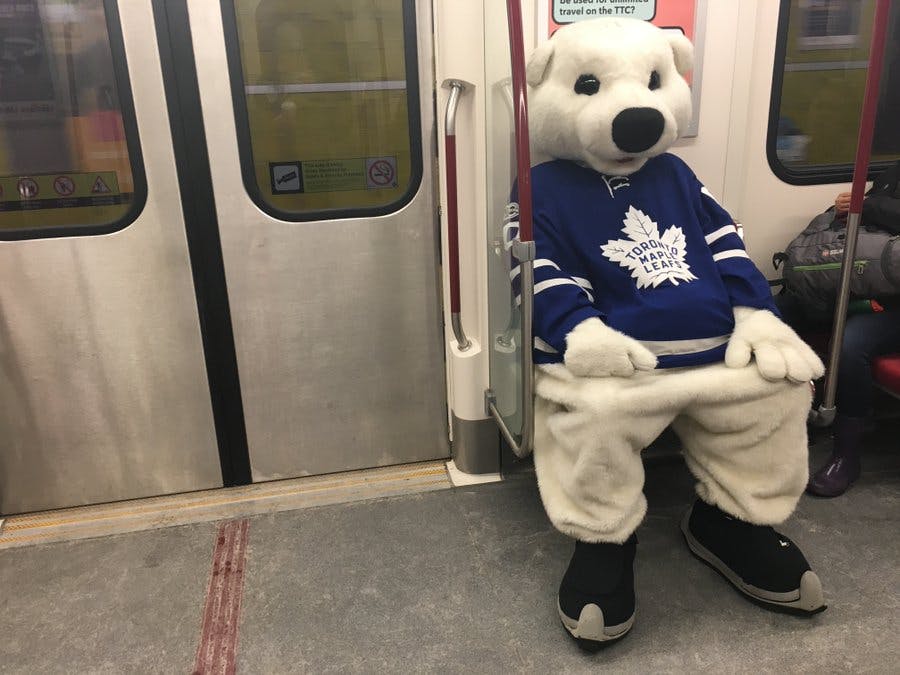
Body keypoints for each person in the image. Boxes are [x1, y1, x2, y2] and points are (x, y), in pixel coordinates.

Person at [782, 167, 900, 497]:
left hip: (894, 306)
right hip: (863, 287)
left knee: (851, 343)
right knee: (774, 315)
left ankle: (846, 454)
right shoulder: (893, 174)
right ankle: (785, 418)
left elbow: (875, 211)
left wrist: (866, 205)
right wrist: (839, 213)